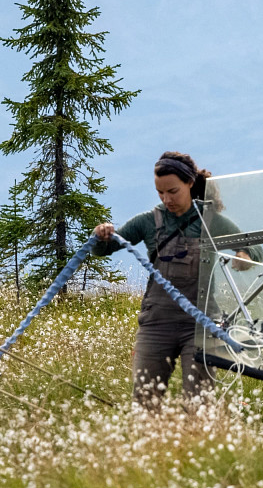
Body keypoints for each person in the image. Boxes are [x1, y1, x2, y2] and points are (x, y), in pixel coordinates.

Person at [93, 151, 250, 408]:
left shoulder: (210, 222)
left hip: (200, 326)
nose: (167, 199)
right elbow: (102, 250)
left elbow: (253, 247)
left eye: (173, 191)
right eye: (160, 193)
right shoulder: (146, 222)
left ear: (190, 183)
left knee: (199, 403)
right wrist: (101, 234)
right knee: (145, 402)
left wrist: (243, 256)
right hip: (156, 324)